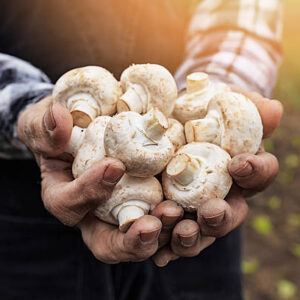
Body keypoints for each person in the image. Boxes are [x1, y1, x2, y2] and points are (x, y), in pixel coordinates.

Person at [0, 0, 283, 299]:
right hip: (20, 204)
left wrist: (221, 88)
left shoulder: (187, 144)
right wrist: (25, 108)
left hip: (191, 216)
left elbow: (241, 16)